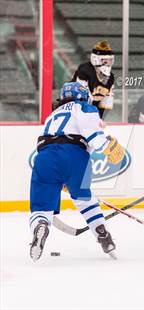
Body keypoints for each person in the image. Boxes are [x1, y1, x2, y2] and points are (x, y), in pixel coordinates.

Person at [29, 82, 125, 262]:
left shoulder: (52, 115)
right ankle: (102, 234)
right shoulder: (84, 107)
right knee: (84, 200)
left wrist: (60, 175)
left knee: (41, 206)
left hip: (44, 157)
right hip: (75, 155)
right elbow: (94, 135)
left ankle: (41, 224)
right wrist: (107, 147)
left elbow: (49, 139)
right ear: (82, 95)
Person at [72, 40, 115, 119]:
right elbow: (80, 99)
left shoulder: (110, 77)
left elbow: (106, 103)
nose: (108, 64)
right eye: (105, 61)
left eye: (110, 61)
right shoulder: (85, 71)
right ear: (96, 59)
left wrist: (98, 120)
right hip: (76, 112)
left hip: (92, 113)